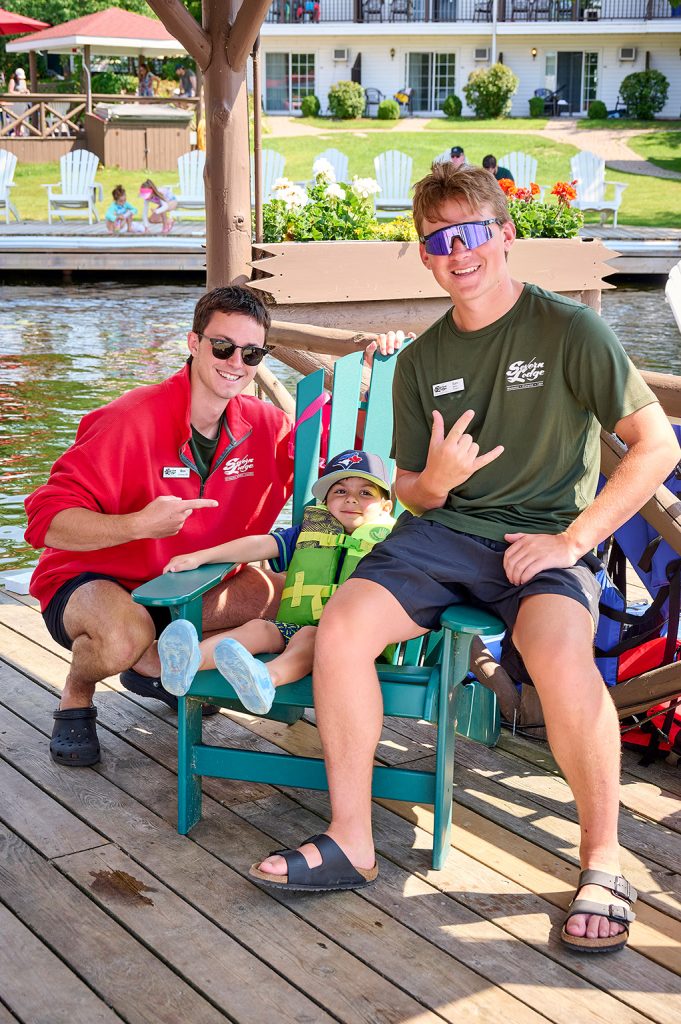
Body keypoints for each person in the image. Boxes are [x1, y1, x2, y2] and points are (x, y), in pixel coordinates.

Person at [250, 163, 680, 956]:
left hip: (546, 536)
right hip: (447, 537)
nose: (459, 251)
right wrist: (432, 482)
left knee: (557, 656)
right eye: (439, 240)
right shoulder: (419, 362)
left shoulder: (568, 331)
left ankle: (602, 860)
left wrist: (573, 541)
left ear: (505, 235)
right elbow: (411, 492)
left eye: (472, 232)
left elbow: (652, 445)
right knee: (342, 628)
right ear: (424, 255)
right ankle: (352, 838)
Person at [24, 286, 294, 768]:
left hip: (191, 582)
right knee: (123, 637)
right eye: (222, 346)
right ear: (194, 343)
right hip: (95, 582)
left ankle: (160, 665)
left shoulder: (266, 425)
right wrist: (137, 525)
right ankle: (78, 694)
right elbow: (47, 522)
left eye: (251, 352)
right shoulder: (127, 419)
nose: (236, 361)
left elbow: (347, 464)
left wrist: (377, 371)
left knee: (295, 595)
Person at [157, 450, 394, 715]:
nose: (351, 498)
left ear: (386, 507)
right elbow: (258, 544)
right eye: (340, 491)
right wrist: (200, 557)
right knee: (261, 628)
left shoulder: (394, 544)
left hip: (358, 645)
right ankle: (188, 663)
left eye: (365, 493)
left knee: (309, 635)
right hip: (298, 629)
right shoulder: (309, 534)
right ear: (325, 502)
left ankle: (267, 679)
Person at [7, 67, 29, 137]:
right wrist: (19, 93)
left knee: (22, 118)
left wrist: (27, 91)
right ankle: (16, 132)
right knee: (16, 119)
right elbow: (10, 91)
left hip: (22, 103)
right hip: (15, 103)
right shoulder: (12, 81)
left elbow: (25, 89)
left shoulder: (23, 81)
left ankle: (19, 132)